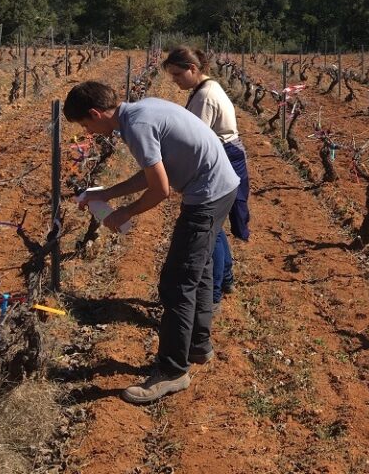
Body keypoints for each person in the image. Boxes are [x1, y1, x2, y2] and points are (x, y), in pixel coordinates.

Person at [64, 81, 239, 404]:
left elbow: (160, 190)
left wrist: (122, 213)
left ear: (94, 113)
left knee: (176, 284)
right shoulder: (141, 110)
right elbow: (152, 174)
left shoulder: (137, 127)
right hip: (222, 186)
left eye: (86, 125)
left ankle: (173, 371)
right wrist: (106, 194)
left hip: (208, 194)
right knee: (197, 273)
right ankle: (198, 345)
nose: (89, 132)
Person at [161, 45, 252, 312]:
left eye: (178, 75)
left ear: (193, 69)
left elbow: (193, 141)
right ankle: (225, 279)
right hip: (226, 155)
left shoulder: (205, 97)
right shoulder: (204, 89)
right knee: (215, 226)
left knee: (209, 228)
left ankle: (212, 295)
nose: (175, 80)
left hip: (224, 159)